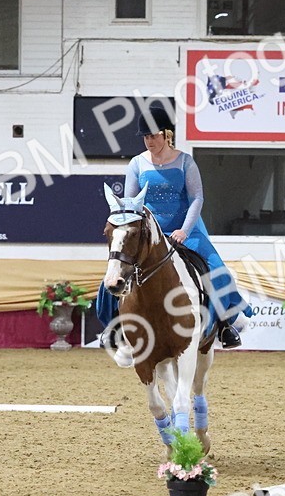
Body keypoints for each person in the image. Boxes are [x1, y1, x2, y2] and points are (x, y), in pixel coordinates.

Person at [96, 108, 251, 356]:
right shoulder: (136, 163)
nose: (150, 141)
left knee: (216, 271)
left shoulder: (185, 161)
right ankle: (113, 325)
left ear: (167, 134)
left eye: (154, 136)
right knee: (116, 273)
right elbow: (131, 204)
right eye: (145, 137)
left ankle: (224, 324)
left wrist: (184, 230)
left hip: (185, 228)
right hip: (150, 232)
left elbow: (197, 198)